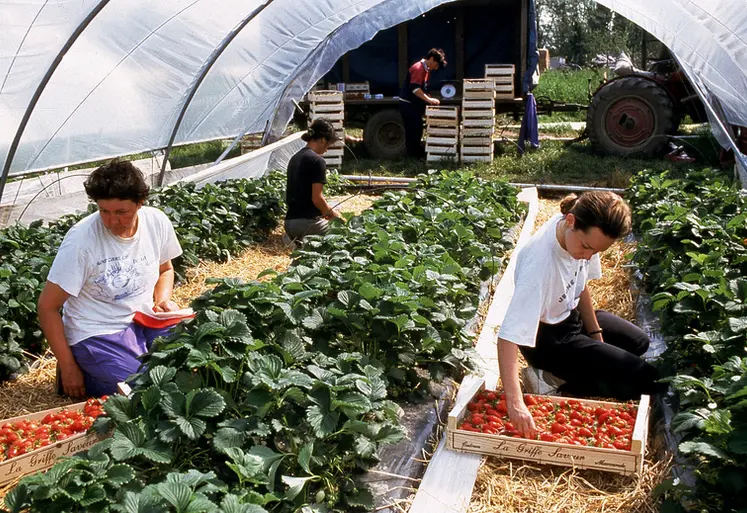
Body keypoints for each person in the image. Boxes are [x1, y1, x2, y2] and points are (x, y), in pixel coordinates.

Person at [496, 191, 665, 438]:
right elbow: (507, 338)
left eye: (595, 252)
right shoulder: (539, 267)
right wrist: (516, 403)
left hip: (570, 317)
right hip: (548, 341)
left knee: (639, 342)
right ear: (572, 221)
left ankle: (572, 370)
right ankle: (550, 380)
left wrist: (595, 334)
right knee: (646, 380)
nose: (588, 256)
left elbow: (580, 282)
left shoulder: (576, 235)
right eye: (587, 248)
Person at [37, 159, 183, 398]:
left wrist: (163, 300)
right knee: (141, 390)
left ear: (140, 203)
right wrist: (68, 367)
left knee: (190, 363)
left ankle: (108, 368)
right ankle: (83, 368)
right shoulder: (82, 241)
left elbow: (165, 269)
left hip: (144, 320)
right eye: (104, 210)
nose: (111, 221)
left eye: (121, 212)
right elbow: (47, 307)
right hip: (97, 331)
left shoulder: (156, 222)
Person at [284, 119, 342, 241]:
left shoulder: (295, 158)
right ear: (322, 140)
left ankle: (293, 240)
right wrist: (332, 215)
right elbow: (317, 199)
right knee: (341, 231)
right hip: (306, 224)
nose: (326, 150)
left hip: (289, 223)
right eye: (328, 145)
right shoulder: (317, 161)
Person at [398, 48, 447, 158]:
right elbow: (415, 89)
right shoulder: (418, 68)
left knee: (418, 129)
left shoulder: (426, 70)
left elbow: (422, 88)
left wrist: (428, 97)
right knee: (413, 131)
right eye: (436, 64)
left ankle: (416, 154)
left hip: (413, 105)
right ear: (432, 59)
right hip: (408, 105)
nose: (436, 67)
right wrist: (429, 100)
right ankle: (412, 157)